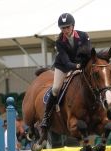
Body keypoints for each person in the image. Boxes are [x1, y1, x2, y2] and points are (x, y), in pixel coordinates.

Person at [39, 13, 92, 143]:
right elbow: (66, 61)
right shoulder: (59, 41)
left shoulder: (84, 36)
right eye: (63, 28)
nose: (66, 30)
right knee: (56, 88)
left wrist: (83, 65)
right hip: (63, 66)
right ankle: (46, 117)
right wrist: (77, 65)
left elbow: (88, 52)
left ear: (73, 26)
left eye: (67, 27)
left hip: (81, 64)